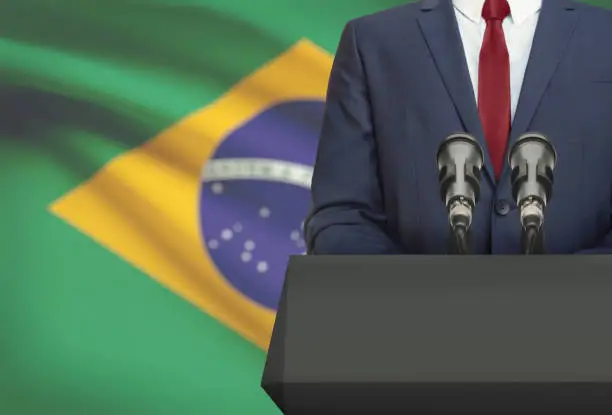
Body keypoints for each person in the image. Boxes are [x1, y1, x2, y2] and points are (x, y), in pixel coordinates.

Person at [305, 0, 612, 255]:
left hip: (583, 320)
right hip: (411, 322)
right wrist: (419, 297)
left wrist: (571, 290)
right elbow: (341, 216)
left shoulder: (604, 37)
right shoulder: (373, 42)